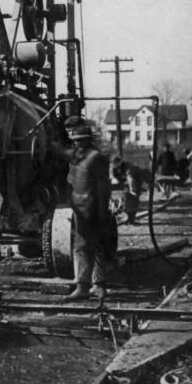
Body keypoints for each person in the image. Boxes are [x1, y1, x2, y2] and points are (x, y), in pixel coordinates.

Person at [59, 123, 112, 301]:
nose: (75, 144)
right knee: (92, 246)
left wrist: (102, 212)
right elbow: (60, 151)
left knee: (85, 247)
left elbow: (103, 188)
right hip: (78, 208)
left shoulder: (95, 158)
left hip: (90, 209)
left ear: (88, 141)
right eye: (74, 141)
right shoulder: (77, 156)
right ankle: (98, 286)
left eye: (79, 141)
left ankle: (84, 286)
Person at [110, 155, 143, 224]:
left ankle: (131, 218)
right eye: (113, 164)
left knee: (134, 200)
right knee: (126, 200)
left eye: (115, 163)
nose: (114, 165)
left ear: (119, 162)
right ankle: (128, 217)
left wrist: (132, 190)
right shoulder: (114, 167)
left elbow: (131, 178)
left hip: (137, 180)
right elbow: (115, 176)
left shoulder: (128, 166)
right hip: (127, 182)